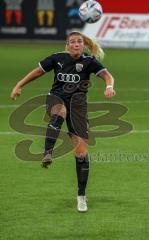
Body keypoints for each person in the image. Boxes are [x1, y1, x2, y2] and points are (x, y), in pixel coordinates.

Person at [11, 31, 116, 212]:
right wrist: (19, 85)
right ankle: (48, 152)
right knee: (59, 111)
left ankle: (81, 196)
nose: (76, 44)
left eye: (79, 42)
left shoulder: (89, 62)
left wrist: (109, 86)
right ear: (67, 45)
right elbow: (37, 72)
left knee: (81, 152)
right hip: (56, 98)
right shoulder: (57, 58)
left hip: (78, 106)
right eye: (72, 42)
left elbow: (107, 75)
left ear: (83, 45)